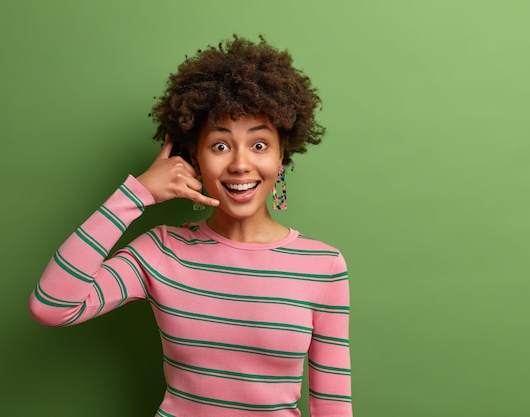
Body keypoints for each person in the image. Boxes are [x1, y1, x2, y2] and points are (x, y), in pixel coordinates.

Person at [29, 35, 352, 417]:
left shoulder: (323, 265)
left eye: (259, 145)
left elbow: (332, 405)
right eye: (219, 145)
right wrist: (136, 194)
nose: (240, 164)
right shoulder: (161, 250)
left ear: (282, 155)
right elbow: (52, 306)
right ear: (194, 159)